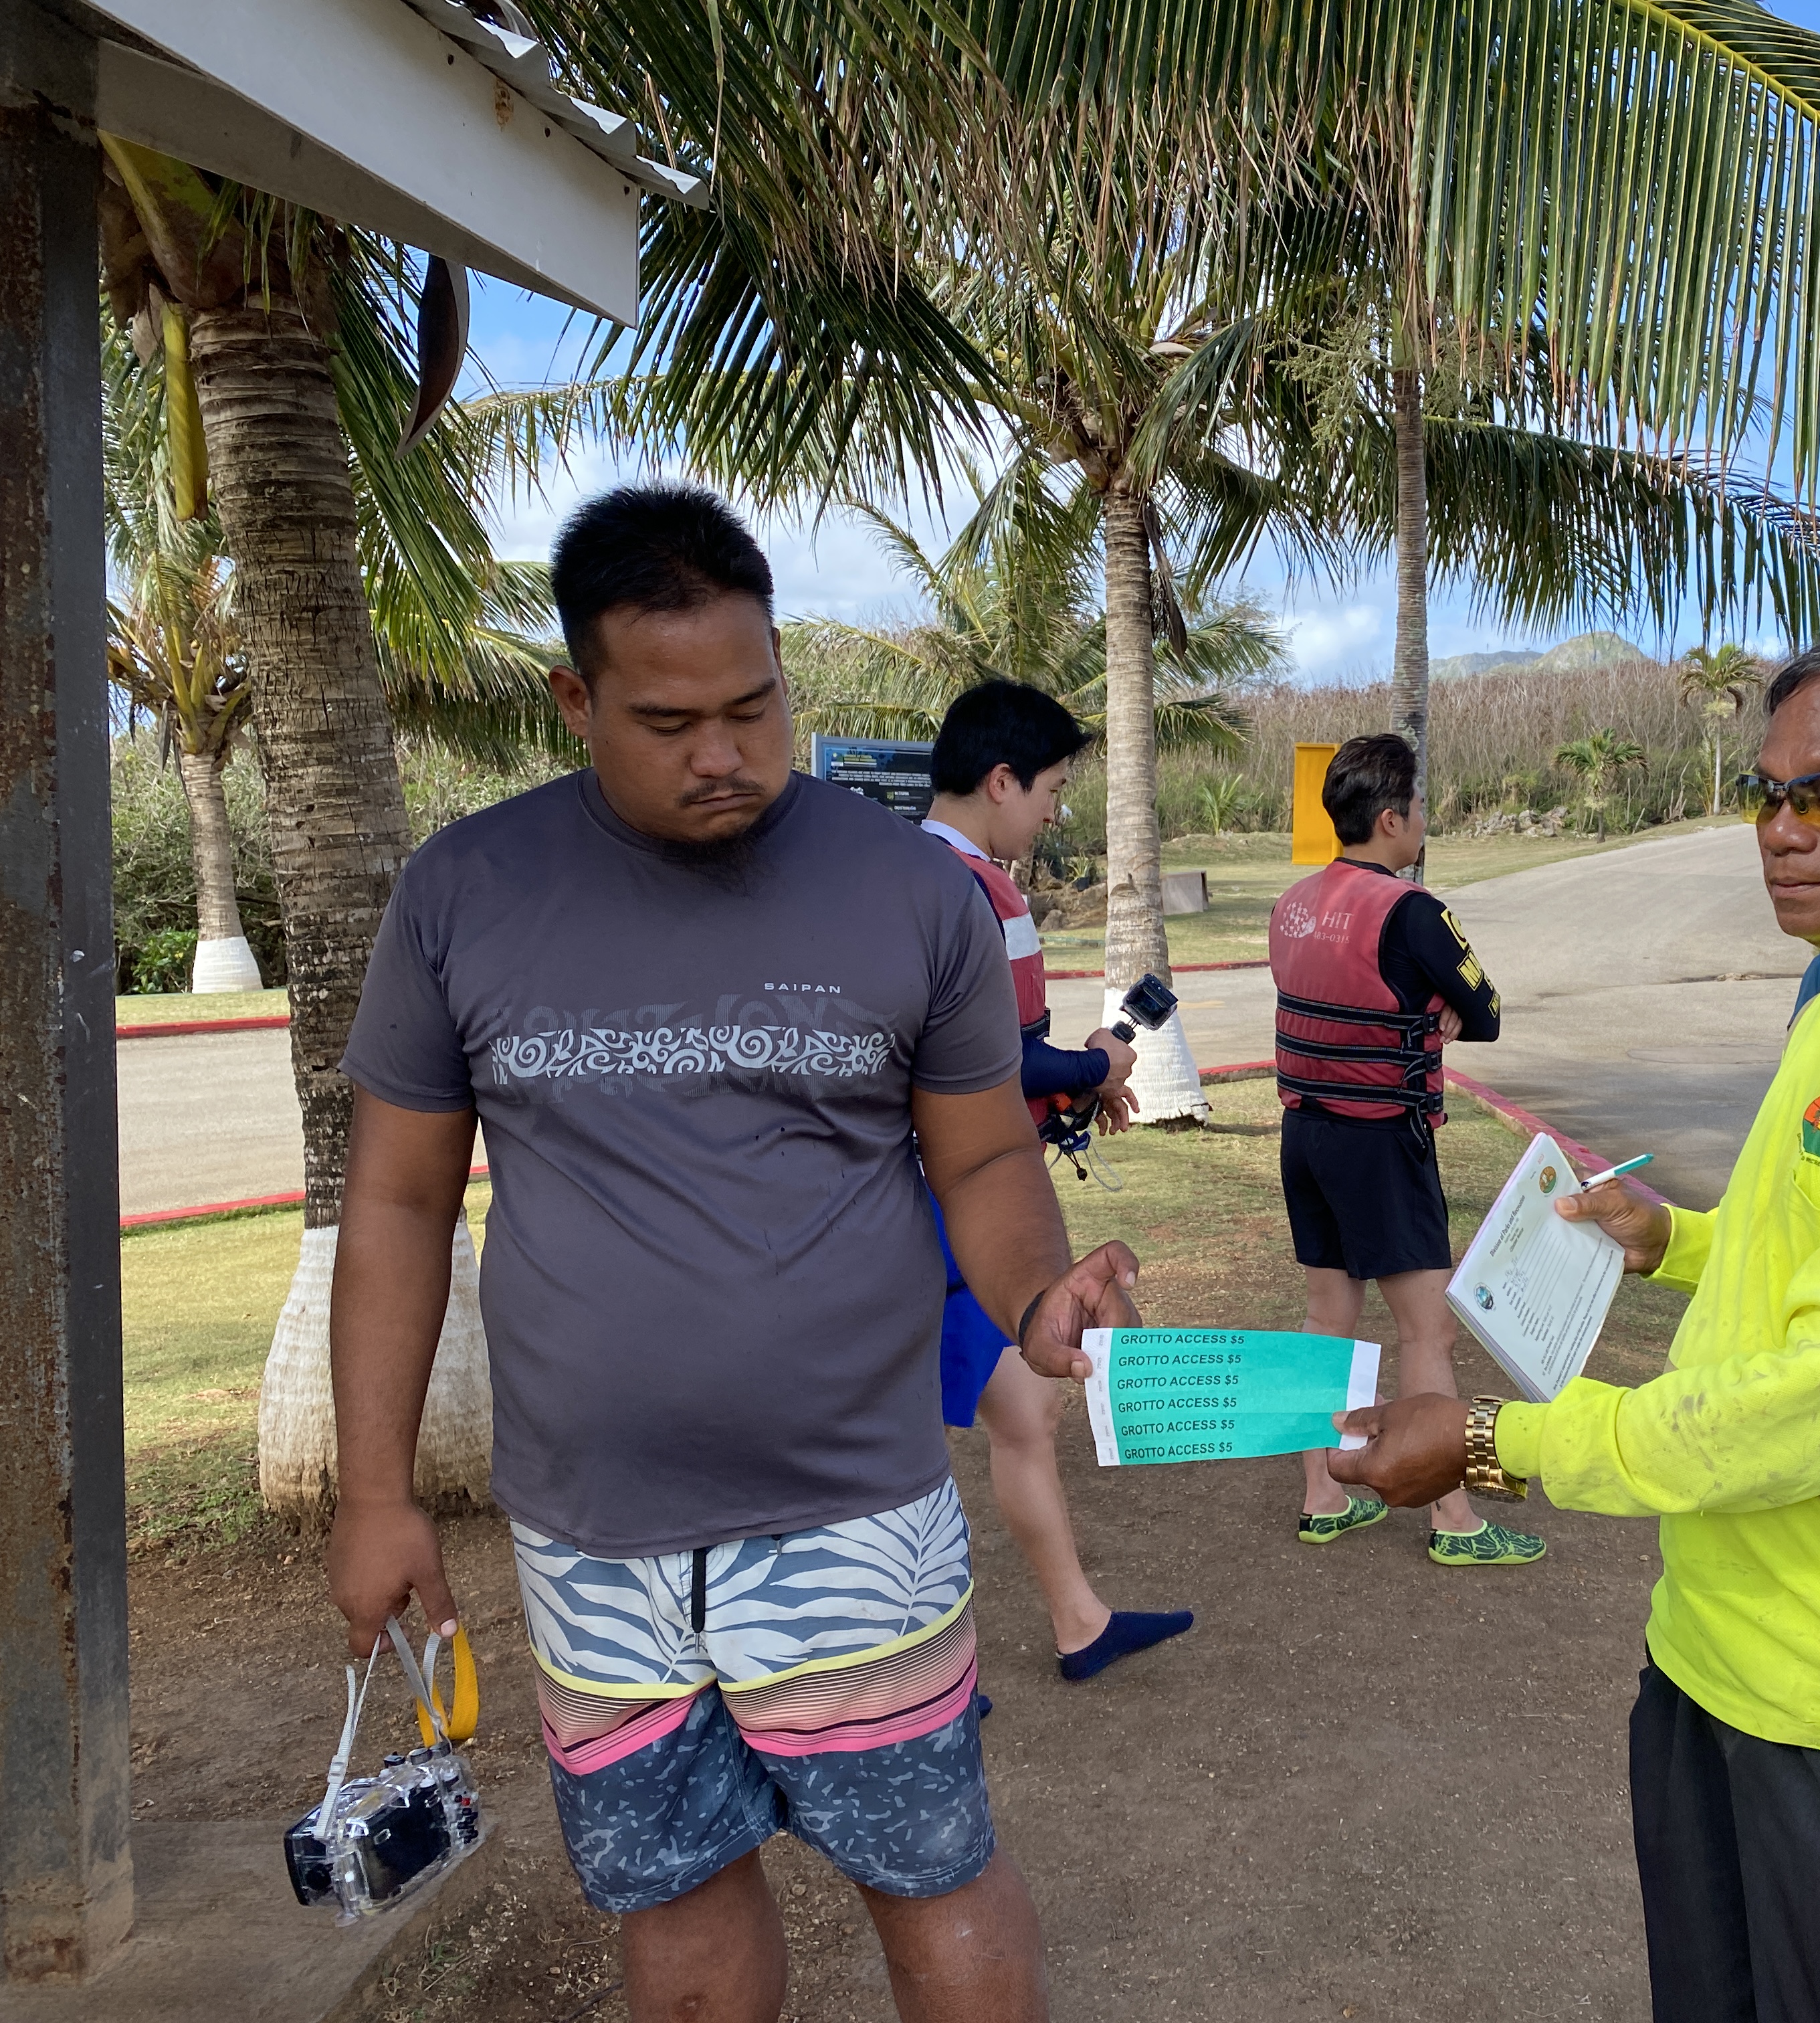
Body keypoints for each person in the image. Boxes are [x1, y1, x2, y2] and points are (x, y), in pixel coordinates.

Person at [325, 484, 1139, 2023]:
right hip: (593, 1537)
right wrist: (375, 1497)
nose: (724, 752)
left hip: (853, 1518)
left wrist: (1040, 1292)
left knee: (931, 1873)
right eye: (668, 718)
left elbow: (978, 1154)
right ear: (575, 698)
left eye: (755, 705)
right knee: (675, 1905)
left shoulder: (907, 892)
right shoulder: (466, 894)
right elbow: (398, 1205)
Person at [1334, 632, 1820, 2021]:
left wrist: (1485, 1440)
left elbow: (1818, 1402)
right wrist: (1679, 1244)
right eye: (1765, 796)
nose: (1781, 834)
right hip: (1719, 1666)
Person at [918, 680, 1193, 1681]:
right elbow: (979, 1067)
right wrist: (1090, 1070)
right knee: (909, 1448)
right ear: (1000, 780)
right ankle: (928, 1674)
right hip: (942, 1219)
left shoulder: (934, 879)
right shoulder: (952, 893)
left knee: (1023, 1414)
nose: (1054, 812)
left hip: (960, 1203)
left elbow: (989, 1067)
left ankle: (1077, 1624)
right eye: (1051, 791)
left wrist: (1067, 1092)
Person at [1271, 734, 1540, 1565]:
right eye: (1420, 807)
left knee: (1328, 1322)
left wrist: (1427, 1005)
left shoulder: (1293, 902)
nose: (1425, 819)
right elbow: (1486, 1008)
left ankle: (1324, 1496)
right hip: (1381, 1140)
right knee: (1429, 1335)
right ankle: (1454, 1519)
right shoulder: (1413, 910)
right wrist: (1443, 1007)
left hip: (1305, 1133)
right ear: (1392, 819)